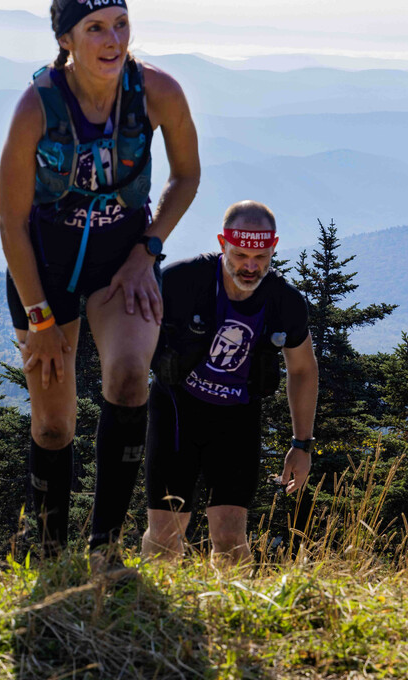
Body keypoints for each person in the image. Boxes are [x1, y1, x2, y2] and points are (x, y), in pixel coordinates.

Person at [0, 0, 200, 562]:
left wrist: (149, 250)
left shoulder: (158, 92)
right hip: (45, 269)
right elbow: (11, 224)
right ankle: (51, 555)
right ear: (67, 40)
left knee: (131, 377)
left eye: (121, 25)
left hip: (123, 264)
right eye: (95, 29)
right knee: (54, 426)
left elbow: (186, 176)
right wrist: (39, 319)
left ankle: (104, 550)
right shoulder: (37, 107)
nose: (113, 40)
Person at [142, 200, 318, 564]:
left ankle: (231, 612)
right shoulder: (180, 282)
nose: (250, 266)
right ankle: (150, 613)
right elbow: (129, 330)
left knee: (230, 533)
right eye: (240, 255)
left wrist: (302, 444)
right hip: (176, 410)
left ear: (274, 247)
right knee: (164, 532)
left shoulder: (286, 302)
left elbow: (302, 369)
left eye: (260, 256)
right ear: (222, 243)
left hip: (237, 418)